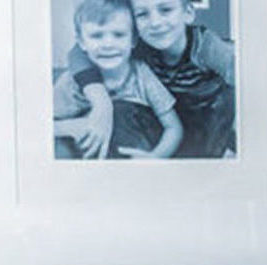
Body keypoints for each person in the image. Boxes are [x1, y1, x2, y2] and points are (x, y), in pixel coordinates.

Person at [65, 0, 235, 159]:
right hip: (165, 122)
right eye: (142, 15)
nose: (155, 23)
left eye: (166, 10)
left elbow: (248, 82)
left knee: (228, 98)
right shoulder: (138, 43)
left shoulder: (208, 46)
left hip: (206, 124)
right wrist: (101, 102)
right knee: (121, 110)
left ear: (188, 12)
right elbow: (78, 53)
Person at [53, 0, 181, 160]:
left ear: (134, 39)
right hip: (85, 162)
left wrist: (155, 158)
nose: (108, 44)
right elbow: (37, 126)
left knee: (123, 111)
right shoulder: (70, 82)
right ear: (81, 43)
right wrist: (73, 126)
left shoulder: (142, 75)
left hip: (133, 153)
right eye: (97, 36)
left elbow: (173, 127)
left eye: (118, 35)